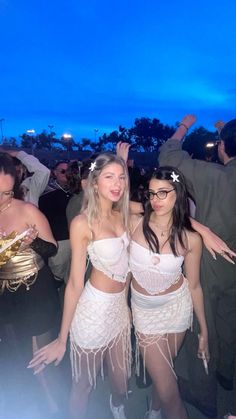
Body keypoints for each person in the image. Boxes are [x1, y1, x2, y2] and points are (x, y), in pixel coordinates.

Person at [29, 153, 132, 419]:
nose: (117, 183)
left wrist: (205, 231)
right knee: (83, 386)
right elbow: (75, 283)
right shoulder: (82, 222)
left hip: (120, 311)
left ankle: (116, 403)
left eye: (121, 177)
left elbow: (167, 212)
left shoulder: (127, 215)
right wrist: (62, 339)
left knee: (121, 381)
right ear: (94, 183)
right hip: (93, 312)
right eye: (109, 177)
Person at [158, 115, 236, 416]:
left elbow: (169, 156)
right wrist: (223, 135)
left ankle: (204, 393)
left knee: (203, 327)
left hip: (211, 263)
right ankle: (227, 373)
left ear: (221, 148)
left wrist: (182, 126)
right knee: (230, 319)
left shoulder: (212, 175)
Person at [129, 166, 209, 419]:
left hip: (177, 308)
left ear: (179, 193)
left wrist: (204, 330)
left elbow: (194, 285)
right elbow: (107, 204)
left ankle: (154, 410)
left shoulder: (190, 239)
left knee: (165, 373)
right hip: (144, 313)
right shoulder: (134, 223)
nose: (155, 200)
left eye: (163, 193)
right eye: (152, 193)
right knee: (170, 391)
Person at [0, 152, 65, 418]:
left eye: (6, 192)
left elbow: (52, 248)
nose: (2, 199)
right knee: (14, 358)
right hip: (5, 296)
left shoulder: (27, 209)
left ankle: (54, 411)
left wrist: (31, 242)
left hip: (36, 291)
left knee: (41, 363)